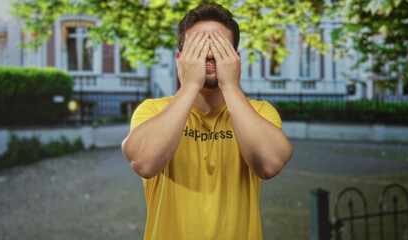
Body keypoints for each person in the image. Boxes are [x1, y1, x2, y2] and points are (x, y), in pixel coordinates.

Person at [121, 3, 293, 240]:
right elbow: (144, 163)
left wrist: (230, 85)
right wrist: (190, 85)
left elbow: (269, 165)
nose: (210, 54)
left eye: (220, 47)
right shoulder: (152, 110)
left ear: (236, 58)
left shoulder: (260, 112)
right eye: (199, 47)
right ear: (180, 58)